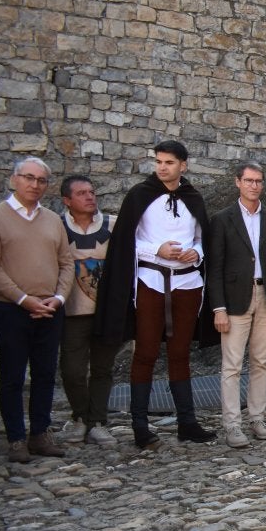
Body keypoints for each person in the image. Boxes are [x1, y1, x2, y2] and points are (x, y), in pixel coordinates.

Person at [94, 140, 217, 449]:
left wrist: (196, 254)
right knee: (146, 352)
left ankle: (187, 423)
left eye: (169, 162)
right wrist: (156, 249)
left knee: (180, 353)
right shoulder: (140, 195)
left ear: (183, 166)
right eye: (159, 161)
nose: (162, 167)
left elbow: (202, 238)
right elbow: (126, 241)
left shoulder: (193, 197)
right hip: (150, 281)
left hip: (187, 285)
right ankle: (140, 426)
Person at [206, 162, 266, 449]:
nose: (254, 185)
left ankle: (257, 418)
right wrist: (218, 307)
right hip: (234, 299)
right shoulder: (222, 219)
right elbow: (214, 267)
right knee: (231, 365)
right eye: (248, 180)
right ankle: (232, 424)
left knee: (261, 361)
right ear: (237, 182)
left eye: (258, 181)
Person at [0, 157, 73, 462]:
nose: (34, 185)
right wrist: (23, 299)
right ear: (14, 179)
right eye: (29, 178)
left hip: (50, 308)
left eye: (41, 180)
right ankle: (16, 438)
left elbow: (66, 263)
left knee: (44, 374)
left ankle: (40, 433)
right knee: (13, 376)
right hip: (11, 309)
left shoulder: (53, 220)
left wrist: (58, 298)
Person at [57, 174, 119, 446]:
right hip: (71, 311)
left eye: (92, 192)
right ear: (67, 200)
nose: (90, 197)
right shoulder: (55, 227)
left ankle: (97, 421)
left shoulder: (112, 225)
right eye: (82, 193)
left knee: (103, 368)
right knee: (72, 370)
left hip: (105, 311)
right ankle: (81, 416)